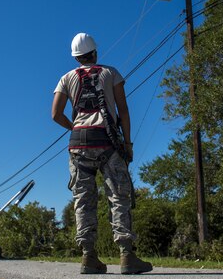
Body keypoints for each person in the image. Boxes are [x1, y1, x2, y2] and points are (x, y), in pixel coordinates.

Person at [52, 33, 153, 275]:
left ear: (76, 57)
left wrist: (75, 127)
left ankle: (88, 257)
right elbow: (124, 111)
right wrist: (127, 143)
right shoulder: (111, 73)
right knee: (119, 196)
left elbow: (55, 114)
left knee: (84, 201)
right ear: (95, 53)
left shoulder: (66, 78)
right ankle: (127, 256)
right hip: (107, 141)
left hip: (79, 144)